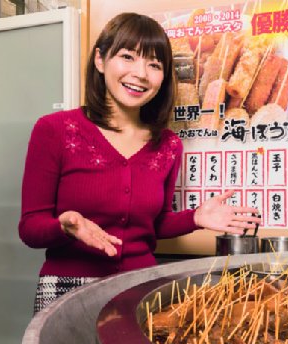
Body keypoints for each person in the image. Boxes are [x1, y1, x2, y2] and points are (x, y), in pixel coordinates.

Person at [19, 12, 260, 314]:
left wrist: (195, 217)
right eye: (128, 56)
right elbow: (30, 228)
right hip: (67, 289)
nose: (141, 73)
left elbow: (151, 224)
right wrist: (65, 226)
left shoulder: (168, 145)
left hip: (140, 287)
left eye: (154, 64)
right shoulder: (55, 130)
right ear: (100, 60)